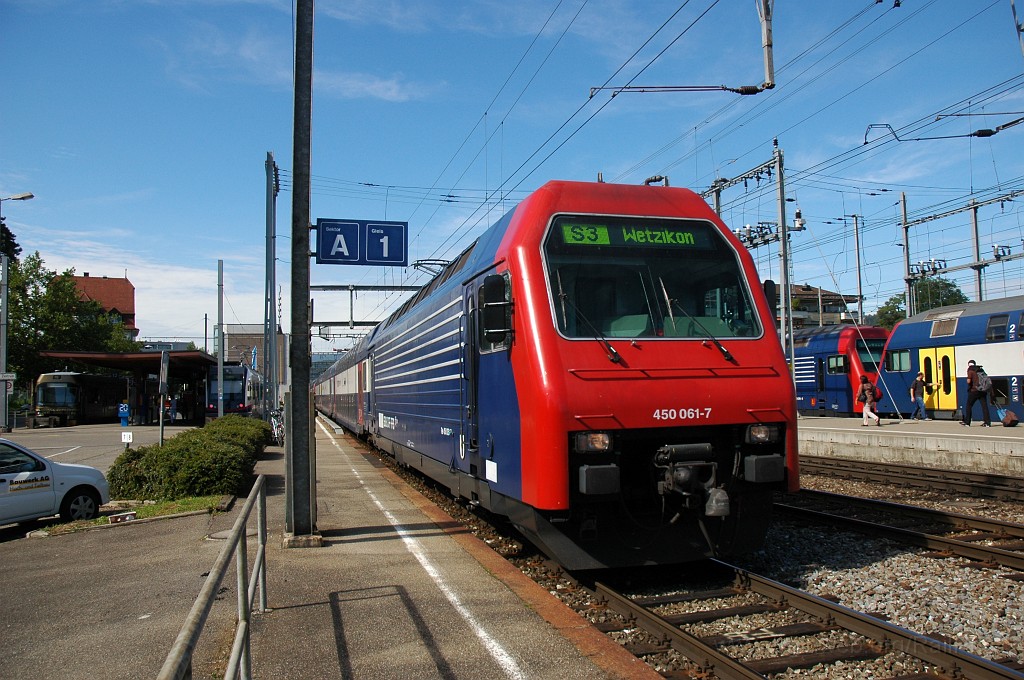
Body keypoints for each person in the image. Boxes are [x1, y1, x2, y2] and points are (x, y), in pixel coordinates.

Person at [961, 359, 992, 427]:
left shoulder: (970, 370)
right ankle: (987, 423)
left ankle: (967, 422)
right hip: (983, 390)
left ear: (968, 364)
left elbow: (969, 381)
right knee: (984, 406)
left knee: (969, 405)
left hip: (974, 391)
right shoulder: (980, 369)